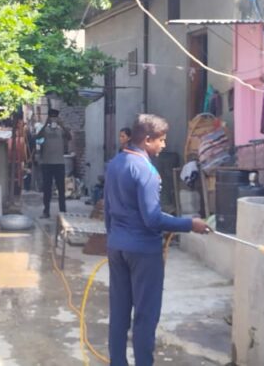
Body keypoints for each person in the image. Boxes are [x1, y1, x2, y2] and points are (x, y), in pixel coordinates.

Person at [104, 114, 210, 366]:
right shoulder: (146, 170)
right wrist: (190, 224)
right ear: (147, 139)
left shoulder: (115, 163)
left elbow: (108, 209)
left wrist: (114, 238)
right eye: (161, 140)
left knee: (119, 313)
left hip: (117, 247)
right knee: (145, 316)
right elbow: (152, 219)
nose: (163, 145)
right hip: (143, 252)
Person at [37, 108, 70, 218]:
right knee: (47, 189)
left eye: (55, 117)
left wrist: (62, 125)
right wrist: (45, 124)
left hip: (59, 163)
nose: (53, 119)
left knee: (61, 189)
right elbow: (37, 138)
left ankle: (63, 211)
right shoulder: (45, 130)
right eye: (52, 117)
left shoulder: (61, 131)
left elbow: (69, 137)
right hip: (47, 163)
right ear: (49, 118)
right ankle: (46, 211)